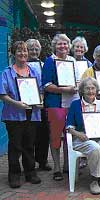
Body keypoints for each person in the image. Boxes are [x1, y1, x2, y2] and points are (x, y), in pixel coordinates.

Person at [0, 41, 41, 188]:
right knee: (15, 146)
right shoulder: (7, 72)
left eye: (24, 51)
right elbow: (2, 94)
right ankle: (14, 175)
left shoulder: (34, 71)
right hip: (14, 114)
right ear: (13, 53)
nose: (22, 54)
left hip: (32, 113)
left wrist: (39, 101)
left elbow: (40, 90)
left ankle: (30, 172)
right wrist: (17, 104)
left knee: (29, 145)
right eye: (19, 51)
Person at [66, 77, 100, 194]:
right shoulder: (75, 105)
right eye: (87, 88)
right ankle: (94, 180)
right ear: (82, 90)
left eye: (93, 88)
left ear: (96, 90)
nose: (90, 91)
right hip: (82, 139)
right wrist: (78, 134)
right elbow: (69, 127)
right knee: (95, 148)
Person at [42, 34, 79, 181]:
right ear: (54, 46)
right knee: (56, 136)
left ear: (69, 46)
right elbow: (46, 85)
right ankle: (57, 167)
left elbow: (77, 80)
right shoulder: (50, 61)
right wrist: (64, 90)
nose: (62, 46)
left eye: (65, 44)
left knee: (69, 134)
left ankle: (67, 165)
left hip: (72, 103)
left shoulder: (73, 61)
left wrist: (77, 86)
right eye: (59, 44)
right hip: (55, 104)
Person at [26, 39, 52, 171]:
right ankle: (29, 164)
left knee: (44, 134)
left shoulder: (44, 64)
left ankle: (42, 161)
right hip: (28, 105)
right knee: (30, 135)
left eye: (36, 49)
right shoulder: (22, 65)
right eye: (31, 49)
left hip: (42, 104)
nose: (34, 51)